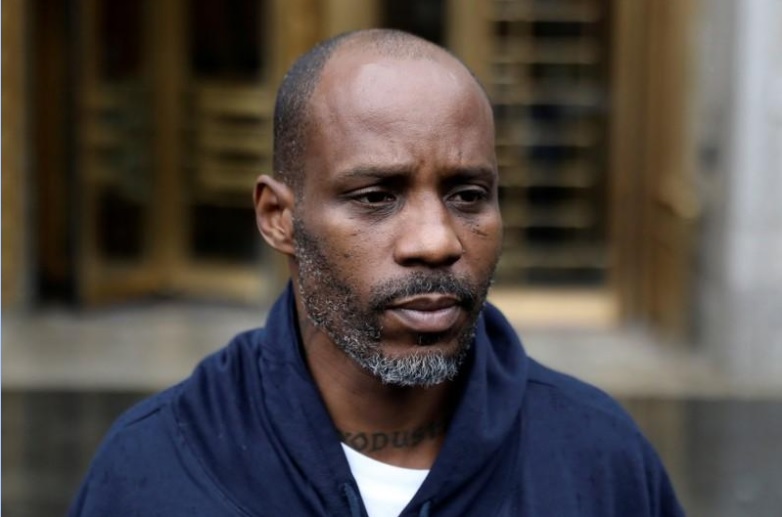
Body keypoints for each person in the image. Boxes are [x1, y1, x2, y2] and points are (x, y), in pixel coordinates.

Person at [69, 29, 684, 517]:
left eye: (468, 195)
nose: (436, 242)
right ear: (279, 218)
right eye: (375, 197)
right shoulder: (159, 464)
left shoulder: (596, 459)